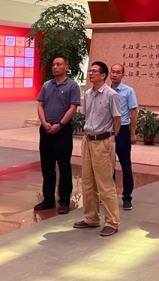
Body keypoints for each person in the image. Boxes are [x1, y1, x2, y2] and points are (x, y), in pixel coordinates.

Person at [73, 61, 122, 237]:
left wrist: (110, 138)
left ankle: (112, 222)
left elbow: (117, 119)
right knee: (87, 182)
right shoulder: (87, 94)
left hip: (103, 142)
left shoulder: (111, 95)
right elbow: (87, 116)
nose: (91, 73)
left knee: (105, 184)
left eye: (94, 71)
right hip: (87, 141)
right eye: (90, 71)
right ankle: (91, 217)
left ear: (103, 75)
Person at [35, 56, 81, 214]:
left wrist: (60, 124)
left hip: (63, 130)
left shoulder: (72, 86)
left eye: (58, 64)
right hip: (46, 130)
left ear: (66, 67)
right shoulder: (47, 85)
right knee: (47, 166)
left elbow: (73, 108)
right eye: (53, 64)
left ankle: (64, 201)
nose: (55, 67)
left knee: (64, 166)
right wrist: (44, 122)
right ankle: (48, 199)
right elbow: (40, 105)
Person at [109, 64, 138, 210]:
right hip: (107, 131)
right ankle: (109, 195)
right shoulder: (105, 90)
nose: (115, 75)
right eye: (113, 72)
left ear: (123, 75)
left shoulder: (128, 91)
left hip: (123, 131)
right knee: (109, 165)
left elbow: (133, 112)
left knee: (125, 164)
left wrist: (132, 133)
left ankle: (127, 197)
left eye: (118, 72)